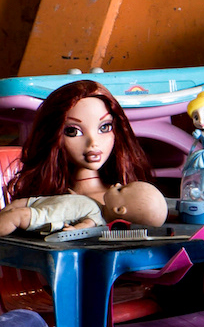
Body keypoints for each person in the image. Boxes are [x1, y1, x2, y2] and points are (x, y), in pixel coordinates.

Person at [0, 80, 168, 235]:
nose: (93, 143)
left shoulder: (125, 203)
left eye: (105, 127)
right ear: (53, 136)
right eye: (73, 131)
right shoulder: (50, 193)